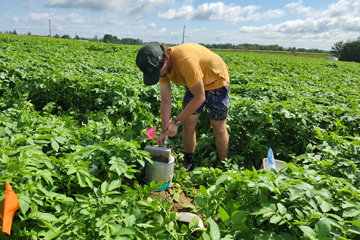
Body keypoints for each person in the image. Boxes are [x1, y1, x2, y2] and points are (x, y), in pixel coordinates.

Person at [136, 43, 230, 171]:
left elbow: (200, 97)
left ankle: (225, 166)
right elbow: (165, 100)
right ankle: (188, 163)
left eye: (157, 73)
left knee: (218, 126)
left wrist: (175, 121)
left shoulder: (185, 61)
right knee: (188, 123)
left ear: (164, 61)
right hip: (195, 82)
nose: (157, 76)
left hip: (216, 80)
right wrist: (164, 131)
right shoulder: (160, 69)